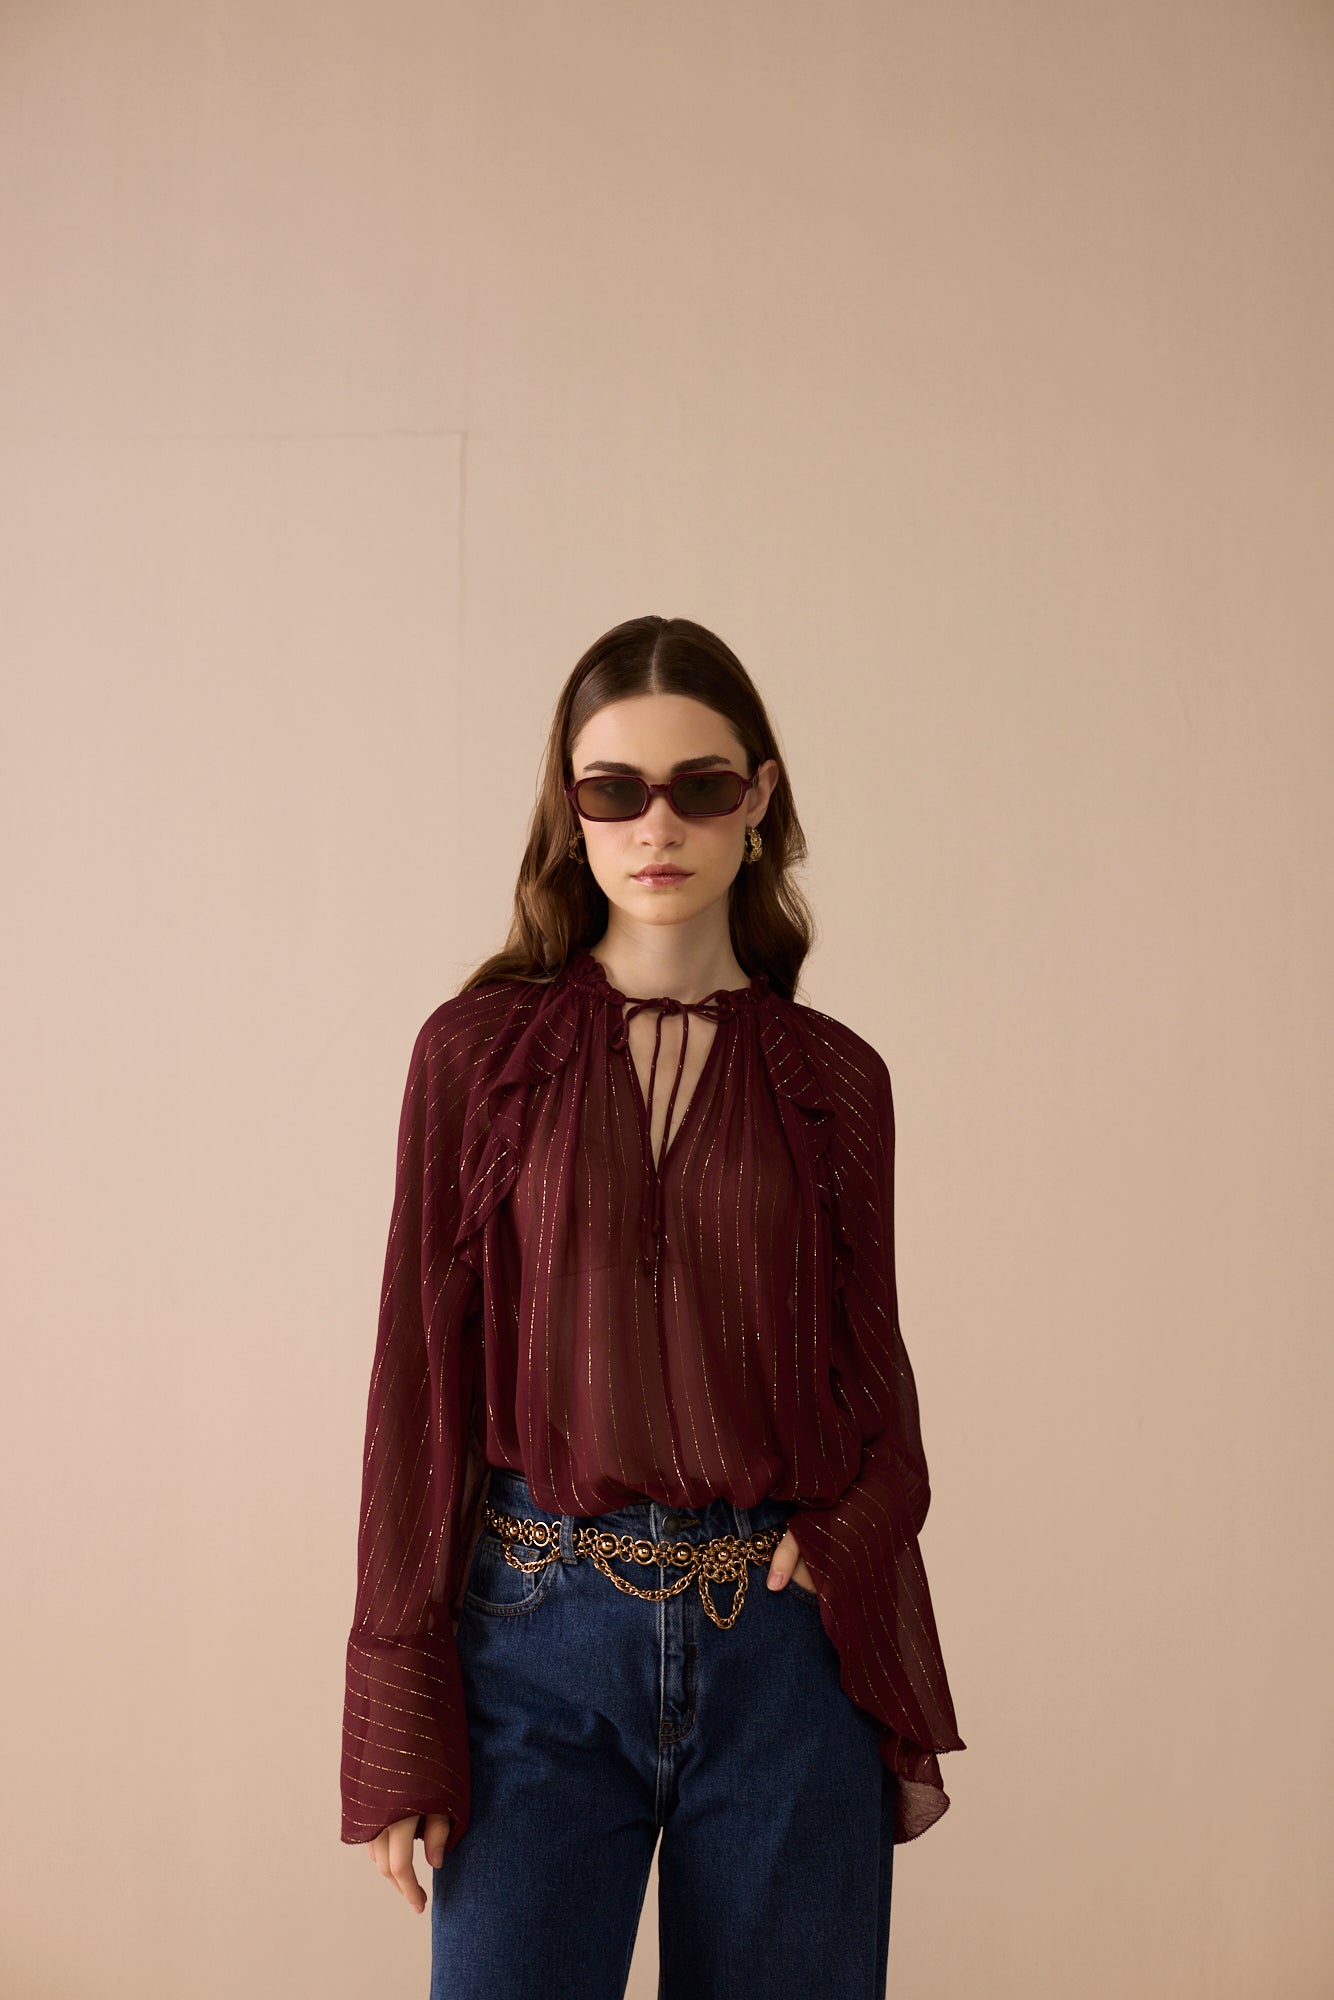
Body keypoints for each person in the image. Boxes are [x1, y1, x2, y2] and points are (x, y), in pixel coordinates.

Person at [339, 614, 965, 1998]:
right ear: (571, 811)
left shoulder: (834, 1080)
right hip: (530, 1641)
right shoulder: (477, 1057)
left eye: (701, 785)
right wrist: (399, 1711)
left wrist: (850, 1536)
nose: (656, 825)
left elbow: (878, 1390)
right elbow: (416, 1391)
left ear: (760, 799)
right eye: (614, 789)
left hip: (781, 1659)